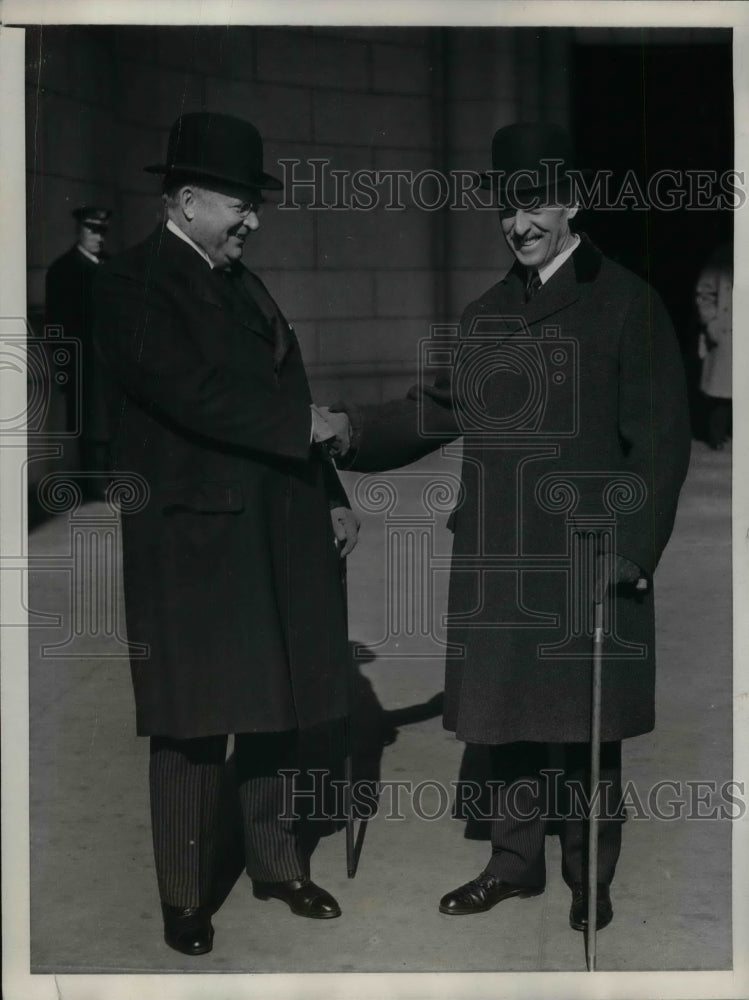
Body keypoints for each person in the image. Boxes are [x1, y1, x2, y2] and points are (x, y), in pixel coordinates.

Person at [328, 122, 691, 933]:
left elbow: (659, 444)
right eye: (506, 208)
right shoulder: (488, 310)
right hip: (499, 551)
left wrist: (630, 552)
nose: (518, 224)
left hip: (587, 555)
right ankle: (512, 864)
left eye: (534, 204)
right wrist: (348, 430)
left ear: (572, 204)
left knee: (589, 727)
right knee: (511, 718)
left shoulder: (626, 302)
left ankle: (588, 877)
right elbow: (440, 408)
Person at [92, 112, 357, 957]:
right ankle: (184, 896)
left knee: (274, 706)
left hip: (275, 529)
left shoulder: (241, 280)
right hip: (194, 544)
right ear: (189, 199)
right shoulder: (133, 283)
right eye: (242, 203)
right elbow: (190, 391)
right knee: (193, 721)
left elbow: (292, 386)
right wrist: (304, 429)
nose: (254, 219)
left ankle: (275, 866)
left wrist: (330, 493)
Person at [45, 205, 114, 498]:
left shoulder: (111, 267)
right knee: (88, 425)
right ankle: (94, 487)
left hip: (110, 363)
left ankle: (109, 482)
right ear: (79, 230)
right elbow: (56, 327)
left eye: (102, 231)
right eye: (92, 230)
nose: (98, 237)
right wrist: (64, 370)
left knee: (110, 421)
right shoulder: (63, 270)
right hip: (82, 365)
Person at [695, 242, 732, 449]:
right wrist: (711, 322)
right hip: (726, 331)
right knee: (722, 394)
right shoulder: (722, 256)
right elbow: (705, 292)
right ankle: (716, 437)